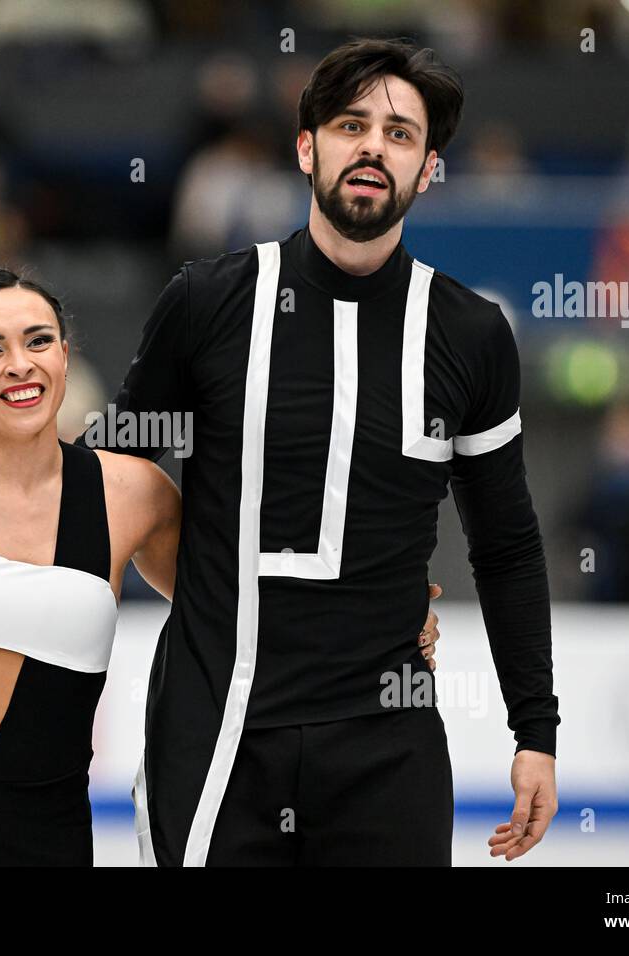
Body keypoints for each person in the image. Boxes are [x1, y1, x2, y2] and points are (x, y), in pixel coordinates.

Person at [69, 37, 558, 865]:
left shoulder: (473, 336)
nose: (373, 145)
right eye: (350, 124)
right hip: (215, 734)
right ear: (307, 149)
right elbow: (99, 486)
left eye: (401, 134)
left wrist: (534, 730)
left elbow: (506, 544)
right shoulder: (209, 302)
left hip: (387, 747)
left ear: (428, 169)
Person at [0, 265, 451, 865]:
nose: (19, 365)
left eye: (38, 341)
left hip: (48, 833)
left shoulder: (133, 495)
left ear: (64, 354)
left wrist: (385, 608)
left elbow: (239, 608)